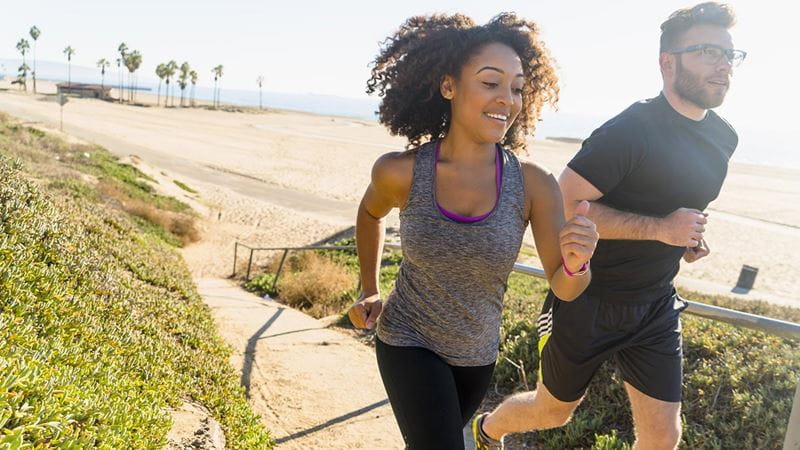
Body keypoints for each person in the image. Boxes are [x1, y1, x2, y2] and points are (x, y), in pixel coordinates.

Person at [472, 3, 744, 449]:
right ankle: (488, 430)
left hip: (655, 303)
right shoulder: (630, 130)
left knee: (663, 437)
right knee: (552, 412)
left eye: (730, 55)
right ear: (668, 62)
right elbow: (565, 204)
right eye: (709, 52)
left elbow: (675, 206)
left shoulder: (724, 137)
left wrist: (687, 239)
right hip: (588, 297)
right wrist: (661, 229)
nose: (724, 65)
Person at [346, 13, 599, 449]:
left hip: (476, 358)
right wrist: (370, 288)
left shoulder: (534, 185)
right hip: (408, 338)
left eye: (517, 87)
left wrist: (578, 265)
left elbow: (566, 285)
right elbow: (370, 215)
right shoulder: (400, 172)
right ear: (450, 86)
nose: (508, 99)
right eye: (490, 83)